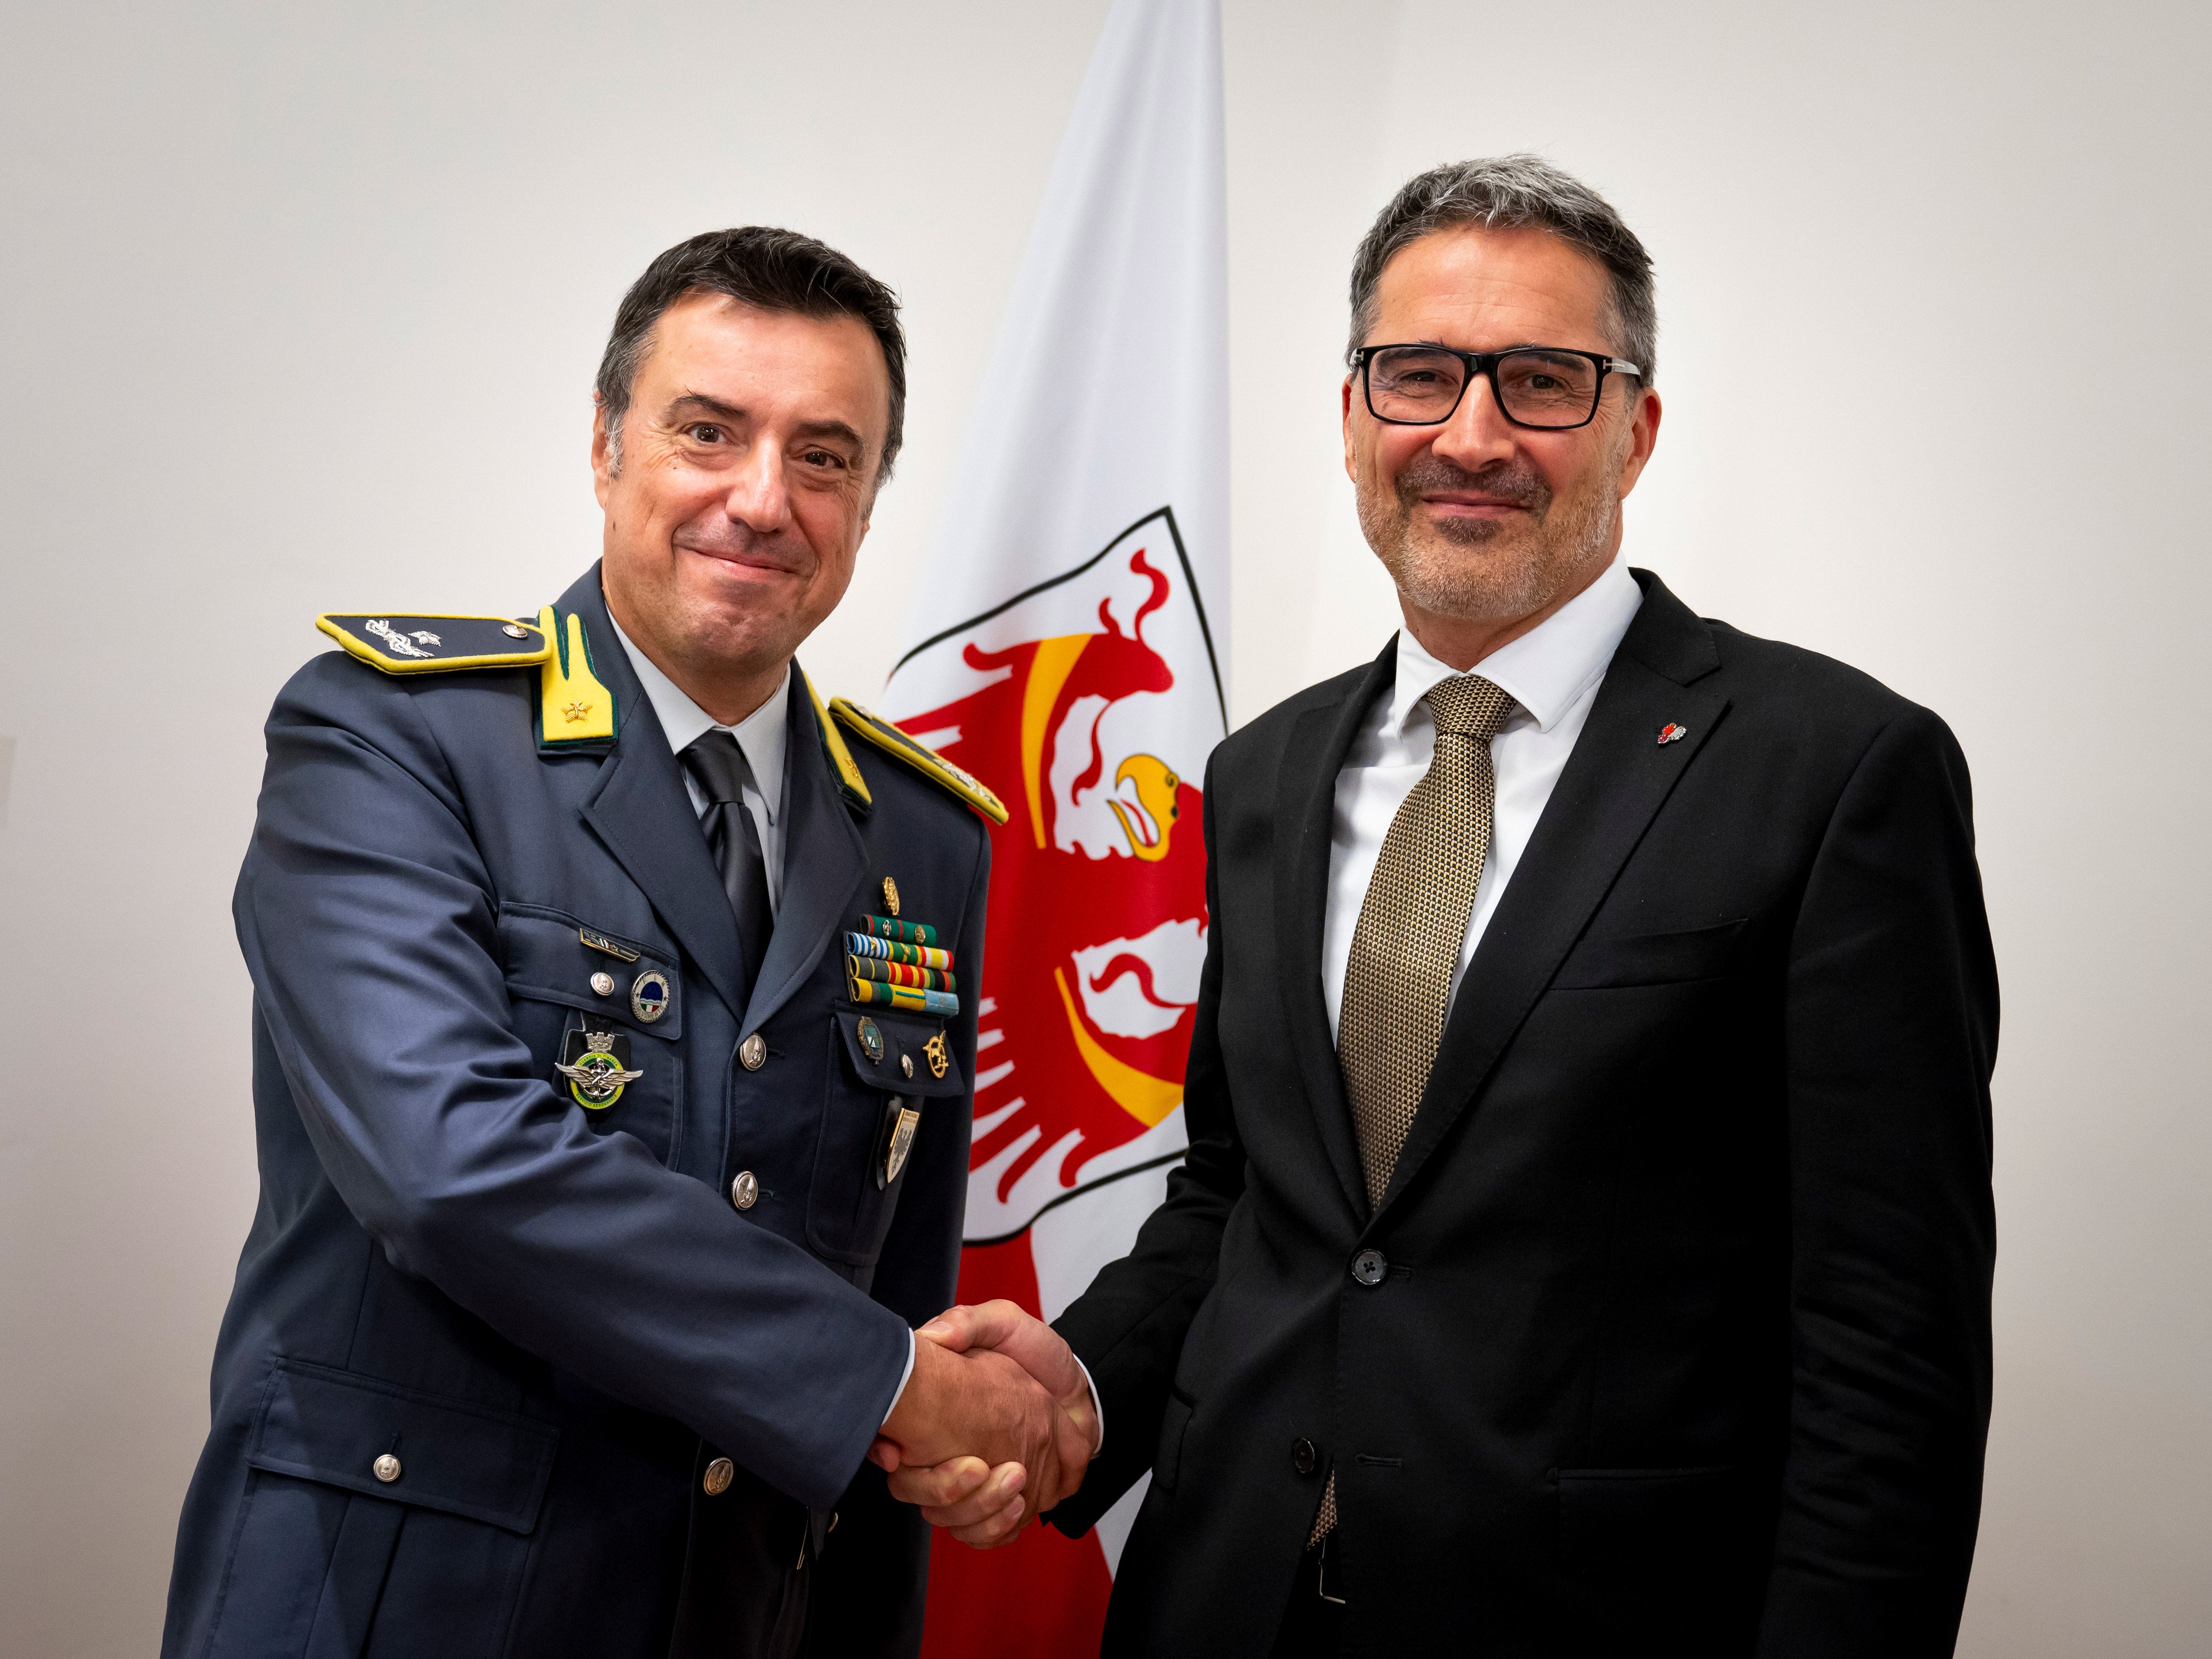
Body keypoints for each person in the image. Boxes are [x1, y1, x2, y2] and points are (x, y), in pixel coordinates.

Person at [890, 156, 1999, 1656]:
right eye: (1419, 376)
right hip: (1225, 1602)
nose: (1471, 435)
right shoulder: (1263, 771)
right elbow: (1253, 1200)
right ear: (1353, 416)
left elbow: (1888, 1341)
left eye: (1542, 379)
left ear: (1636, 426)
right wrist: (1075, 1386)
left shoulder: (1837, 771)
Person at [160, 226, 1093, 1659]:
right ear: (606, 446)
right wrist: (897, 1382)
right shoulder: (391, 736)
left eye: (826, 455)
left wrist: (929, 1430)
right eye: (707, 432)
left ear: (869, 497)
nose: (762, 498)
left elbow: (896, 1279)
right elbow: (450, 1165)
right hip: (400, 1609)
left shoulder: (924, 838)